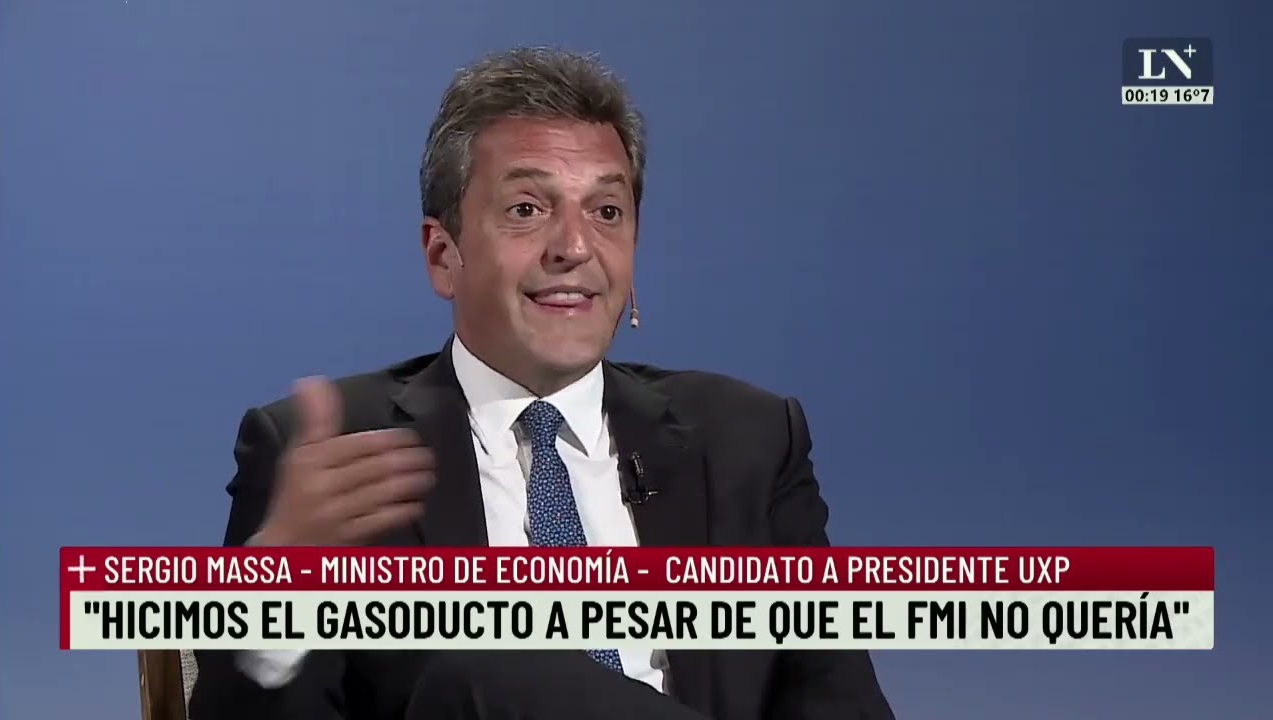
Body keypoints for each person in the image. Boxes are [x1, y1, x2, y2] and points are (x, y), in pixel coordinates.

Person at [189, 46, 894, 720]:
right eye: (527, 209)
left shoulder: (749, 442)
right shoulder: (333, 454)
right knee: (485, 665)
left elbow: (840, 704)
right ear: (443, 255)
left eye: (607, 212)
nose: (575, 247)